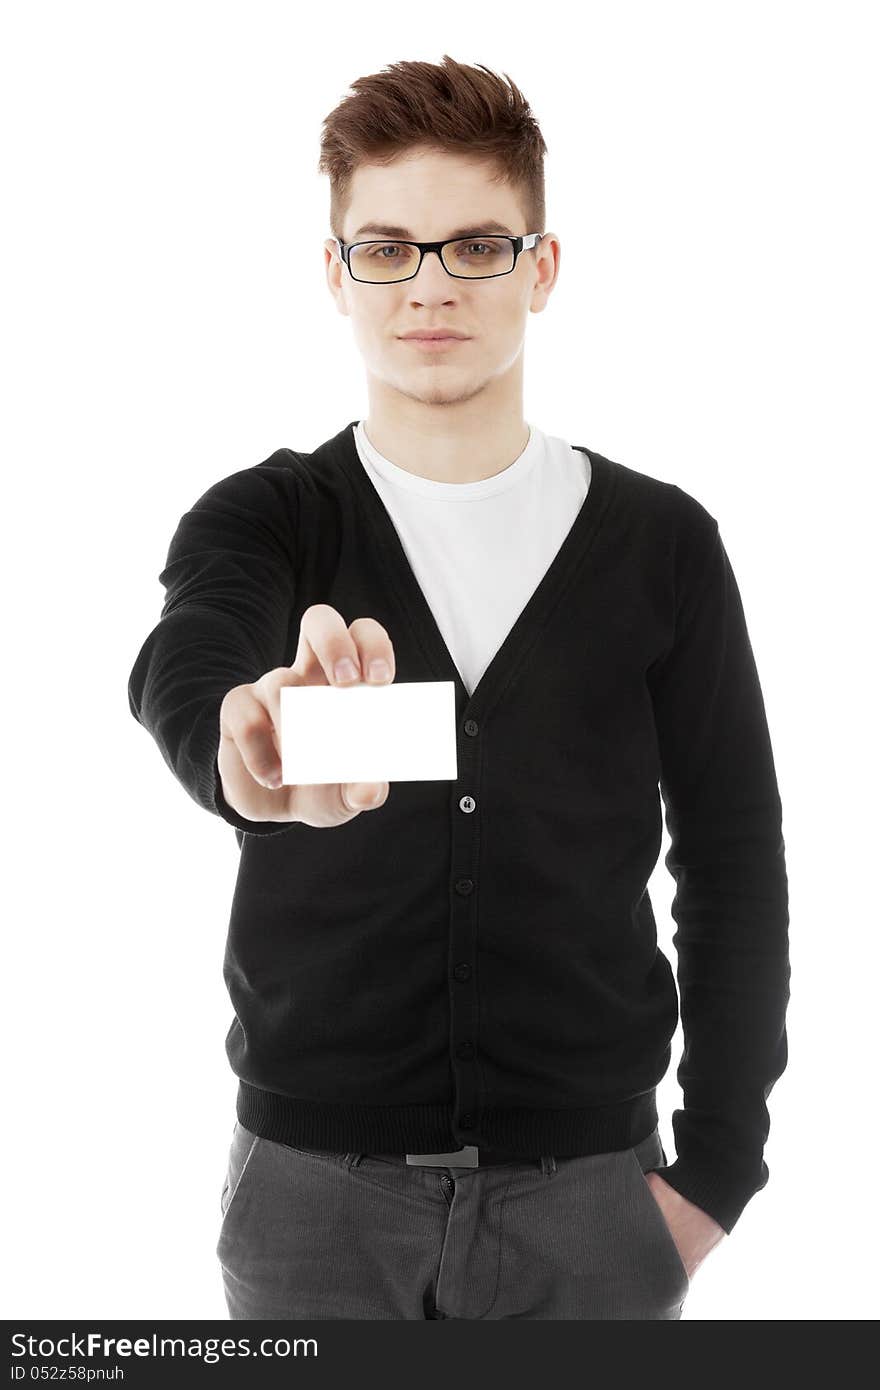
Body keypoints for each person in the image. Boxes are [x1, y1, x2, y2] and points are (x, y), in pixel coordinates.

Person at [127, 54, 790, 1321]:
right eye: (385, 247)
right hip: (310, 1205)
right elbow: (190, 652)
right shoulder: (264, 518)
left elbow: (733, 858)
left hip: (595, 1206)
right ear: (336, 274)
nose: (428, 284)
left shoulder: (663, 543)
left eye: (473, 244)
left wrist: (715, 1173)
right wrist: (244, 740)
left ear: (541, 267)